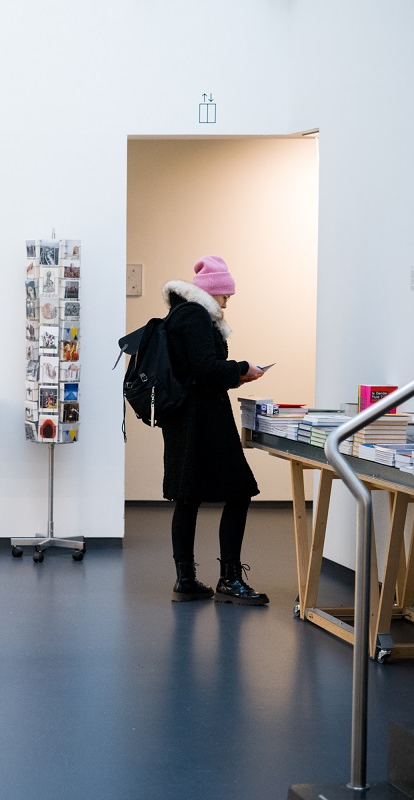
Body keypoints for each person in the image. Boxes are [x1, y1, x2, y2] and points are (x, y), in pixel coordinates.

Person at [161, 256, 268, 605]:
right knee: (239, 491)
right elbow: (206, 368)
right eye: (225, 296)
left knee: (187, 496)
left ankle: (186, 579)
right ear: (211, 293)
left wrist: (233, 376)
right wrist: (242, 368)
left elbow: (196, 369)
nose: (226, 304)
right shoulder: (194, 316)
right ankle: (230, 578)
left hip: (186, 418)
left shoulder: (181, 315)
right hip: (203, 419)